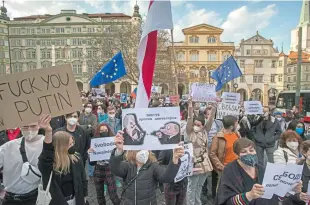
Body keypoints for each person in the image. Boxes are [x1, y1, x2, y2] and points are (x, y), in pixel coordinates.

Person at [215, 138, 301, 205]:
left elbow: (274, 196)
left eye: (251, 150)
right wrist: (249, 195)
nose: (249, 153)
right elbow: (226, 201)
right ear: (237, 155)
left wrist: (288, 190)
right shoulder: (230, 171)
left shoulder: (263, 169)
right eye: (244, 152)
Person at [110, 131, 184, 205]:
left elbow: (166, 178)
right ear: (132, 150)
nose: (143, 151)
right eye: (139, 149)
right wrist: (119, 150)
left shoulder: (153, 166)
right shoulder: (128, 165)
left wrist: (174, 159)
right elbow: (115, 169)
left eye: (145, 148)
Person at [0, 115, 50, 205]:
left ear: (39, 125)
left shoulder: (45, 143)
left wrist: (48, 131)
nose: (30, 130)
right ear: (20, 127)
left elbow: (51, 155)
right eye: (25, 127)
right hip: (11, 199)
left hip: (34, 197)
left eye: (33, 126)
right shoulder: (8, 147)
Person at [38, 116, 87, 205]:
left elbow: (83, 178)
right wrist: (48, 132)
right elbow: (46, 155)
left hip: (75, 199)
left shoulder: (76, 157)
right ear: (60, 146)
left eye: (72, 143)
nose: (72, 146)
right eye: (69, 144)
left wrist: (84, 196)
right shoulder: (50, 163)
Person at [186, 97, 214, 205]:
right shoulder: (190, 132)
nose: (196, 126)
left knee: (199, 186)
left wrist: (214, 108)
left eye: (198, 125)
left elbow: (210, 120)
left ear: (203, 126)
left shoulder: (205, 132)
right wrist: (190, 107)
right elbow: (189, 119)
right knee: (191, 187)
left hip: (205, 163)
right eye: (195, 124)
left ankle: (198, 203)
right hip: (194, 162)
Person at [88, 123, 121, 205]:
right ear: (98, 132)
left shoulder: (113, 141)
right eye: (101, 130)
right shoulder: (95, 143)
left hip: (109, 169)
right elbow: (91, 163)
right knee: (99, 195)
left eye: (105, 130)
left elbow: (118, 159)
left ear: (108, 131)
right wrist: (90, 154)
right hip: (98, 169)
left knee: (113, 195)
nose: (104, 132)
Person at [209, 115, 241, 186]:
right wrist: (221, 167)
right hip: (225, 168)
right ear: (231, 127)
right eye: (236, 123)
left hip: (237, 167)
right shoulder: (218, 137)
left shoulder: (237, 134)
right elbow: (212, 154)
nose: (238, 125)